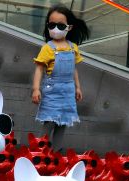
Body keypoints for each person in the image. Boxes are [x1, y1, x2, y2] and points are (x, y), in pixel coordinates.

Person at [32, 4, 89, 150]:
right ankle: (38, 150)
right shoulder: (47, 48)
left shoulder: (73, 47)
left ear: (69, 27)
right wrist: (36, 89)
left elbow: (73, 69)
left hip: (68, 90)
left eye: (60, 25)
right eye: (52, 25)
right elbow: (39, 69)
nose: (56, 29)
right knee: (50, 122)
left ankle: (57, 152)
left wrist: (78, 87)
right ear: (47, 26)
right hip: (53, 90)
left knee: (63, 123)